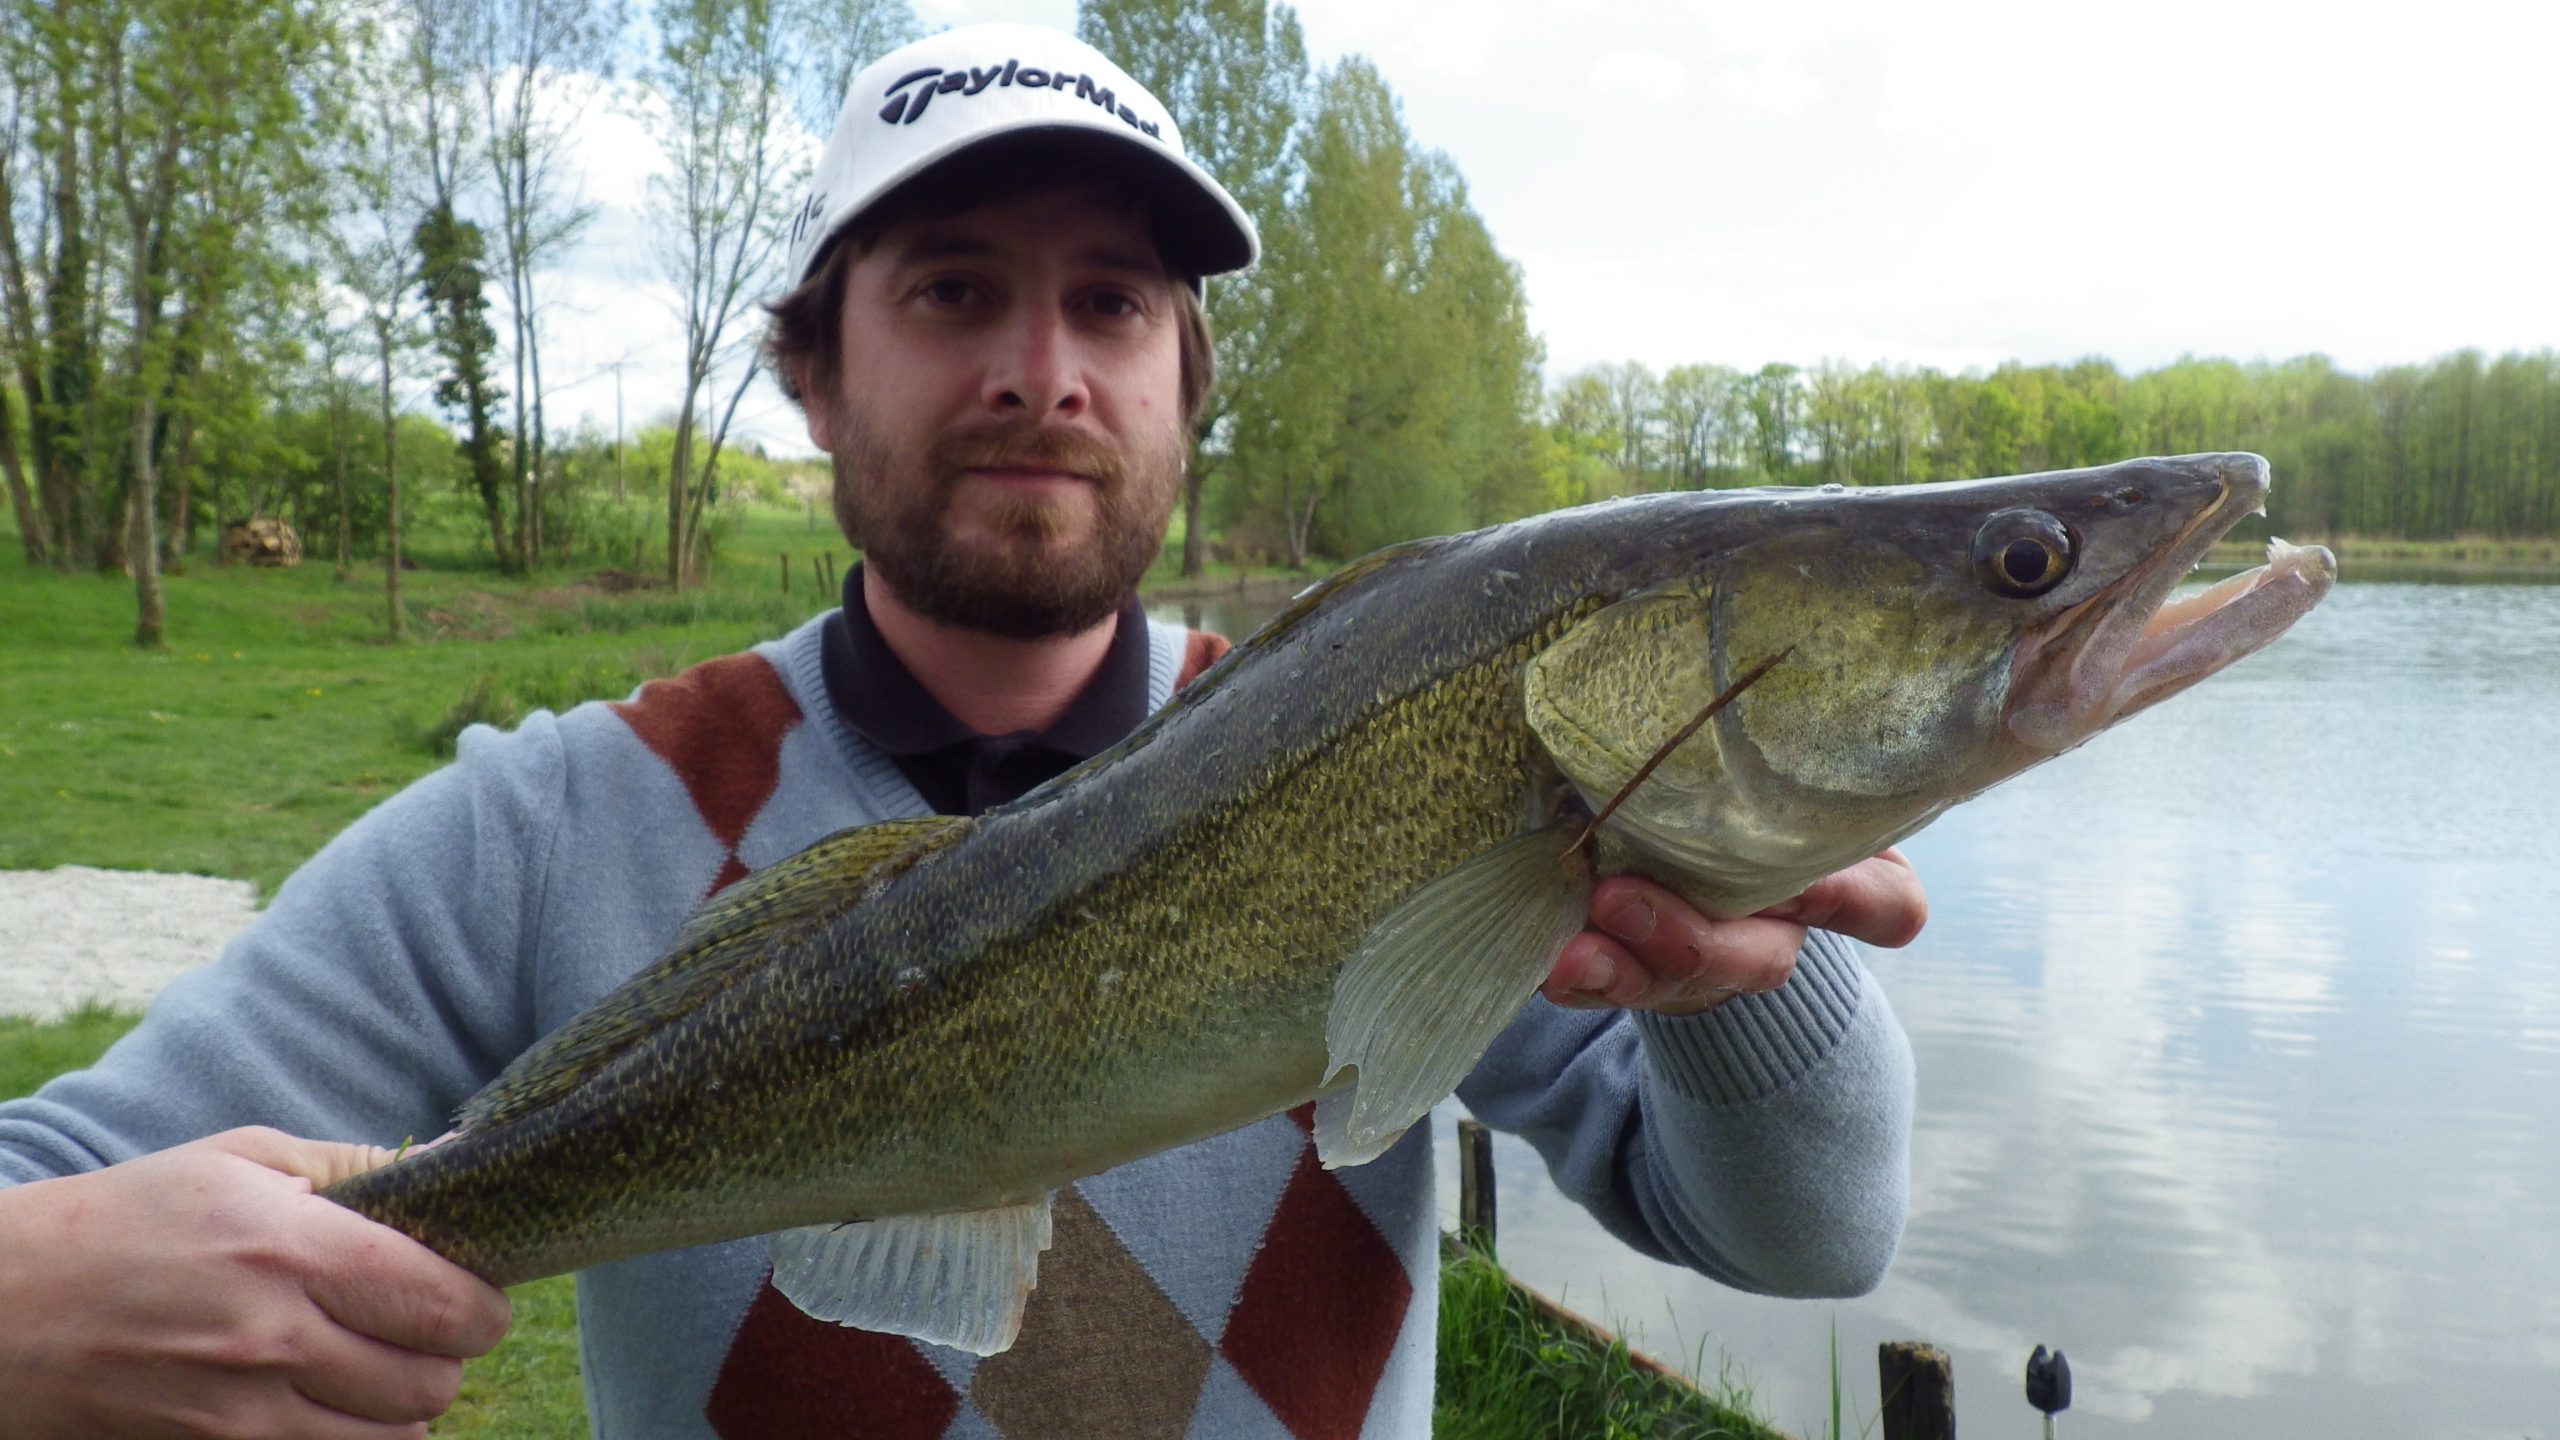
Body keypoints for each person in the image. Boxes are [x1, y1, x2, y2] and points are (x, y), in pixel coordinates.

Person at [0, 23, 1920, 1439]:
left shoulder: (1439, 771)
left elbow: (1801, 1243)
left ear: (1187, 387)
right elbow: (48, 1178)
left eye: (1112, 301)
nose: (1041, 368)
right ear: (815, 380)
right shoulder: (549, 826)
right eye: (951, 291)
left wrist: (1743, 952)